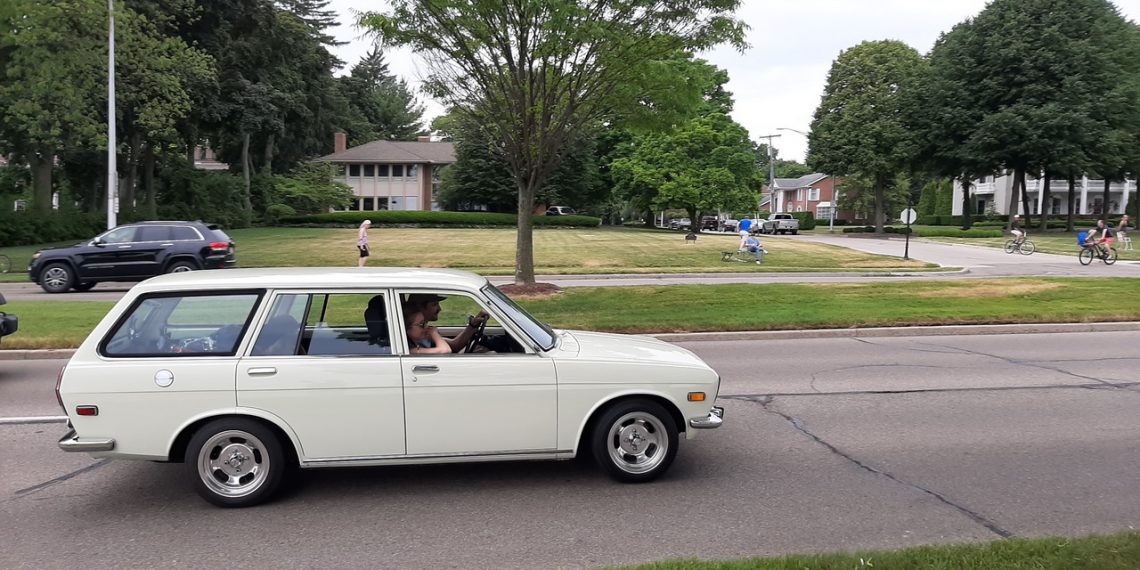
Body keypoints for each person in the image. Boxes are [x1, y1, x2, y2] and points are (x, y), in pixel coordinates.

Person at [403, 293, 488, 353]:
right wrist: (434, 333)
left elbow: (455, 345)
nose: (440, 309)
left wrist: (473, 325)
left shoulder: (422, 334)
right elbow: (446, 350)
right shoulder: (413, 345)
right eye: (434, 304)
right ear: (420, 307)